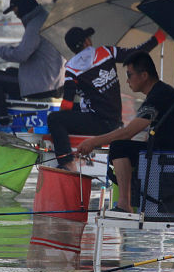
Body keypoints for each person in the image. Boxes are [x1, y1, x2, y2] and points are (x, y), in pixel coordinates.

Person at [74, 52, 174, 213]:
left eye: (130, 75)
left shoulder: (158, 96)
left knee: (119, 147)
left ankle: (124, 204)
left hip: (169, 156)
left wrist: (93, 142)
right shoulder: (161, 92)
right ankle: (128, 201)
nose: (127, 80)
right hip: (169, 152)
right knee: (124, 147)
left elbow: (128, 133)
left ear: (144, 75)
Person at [49, 26, 166, 172]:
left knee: (54, 118)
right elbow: (137, 53)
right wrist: (158, 37)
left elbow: (66, 104)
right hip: (114, 120)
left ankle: (67, 163)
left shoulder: (72, 69)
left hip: (99, 123)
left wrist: (57, 124)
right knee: (70, 112)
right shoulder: (107, 52)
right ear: (86, 42)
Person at [0, 0, 65, 120]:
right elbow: (27, 49)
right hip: (55, 83)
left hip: (44, 87)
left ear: (23, 7)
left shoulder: (35, 25)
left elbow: (21, 55)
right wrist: (3, 50)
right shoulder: (45, 18)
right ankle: (13, 114)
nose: (16, 15)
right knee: (9, 72)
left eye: (15, 10)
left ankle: (0, 121)